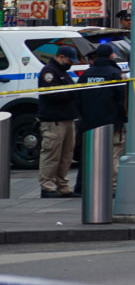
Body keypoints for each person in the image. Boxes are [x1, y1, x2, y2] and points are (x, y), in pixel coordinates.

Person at [77, 44, 126, 192]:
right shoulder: (115, 74)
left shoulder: (86, 75)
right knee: (113, 155)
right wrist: (122, 119)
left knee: (91, 155)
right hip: (112, 123)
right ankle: (113, 188)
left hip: (90, 123)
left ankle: (89, 186)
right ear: (111, 56)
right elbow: (122, 99)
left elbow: (78, 97)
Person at [37, 45, 81, 198]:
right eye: (70, 60)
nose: (71, 64)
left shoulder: (62, 72)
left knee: (66, 155)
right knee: (51, 155)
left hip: (67, 118)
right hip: (53, 120)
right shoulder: (49, 72)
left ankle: (63, 186)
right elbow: (52, 94)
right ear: (61, 57)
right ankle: (47, 186)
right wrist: (73, 92)